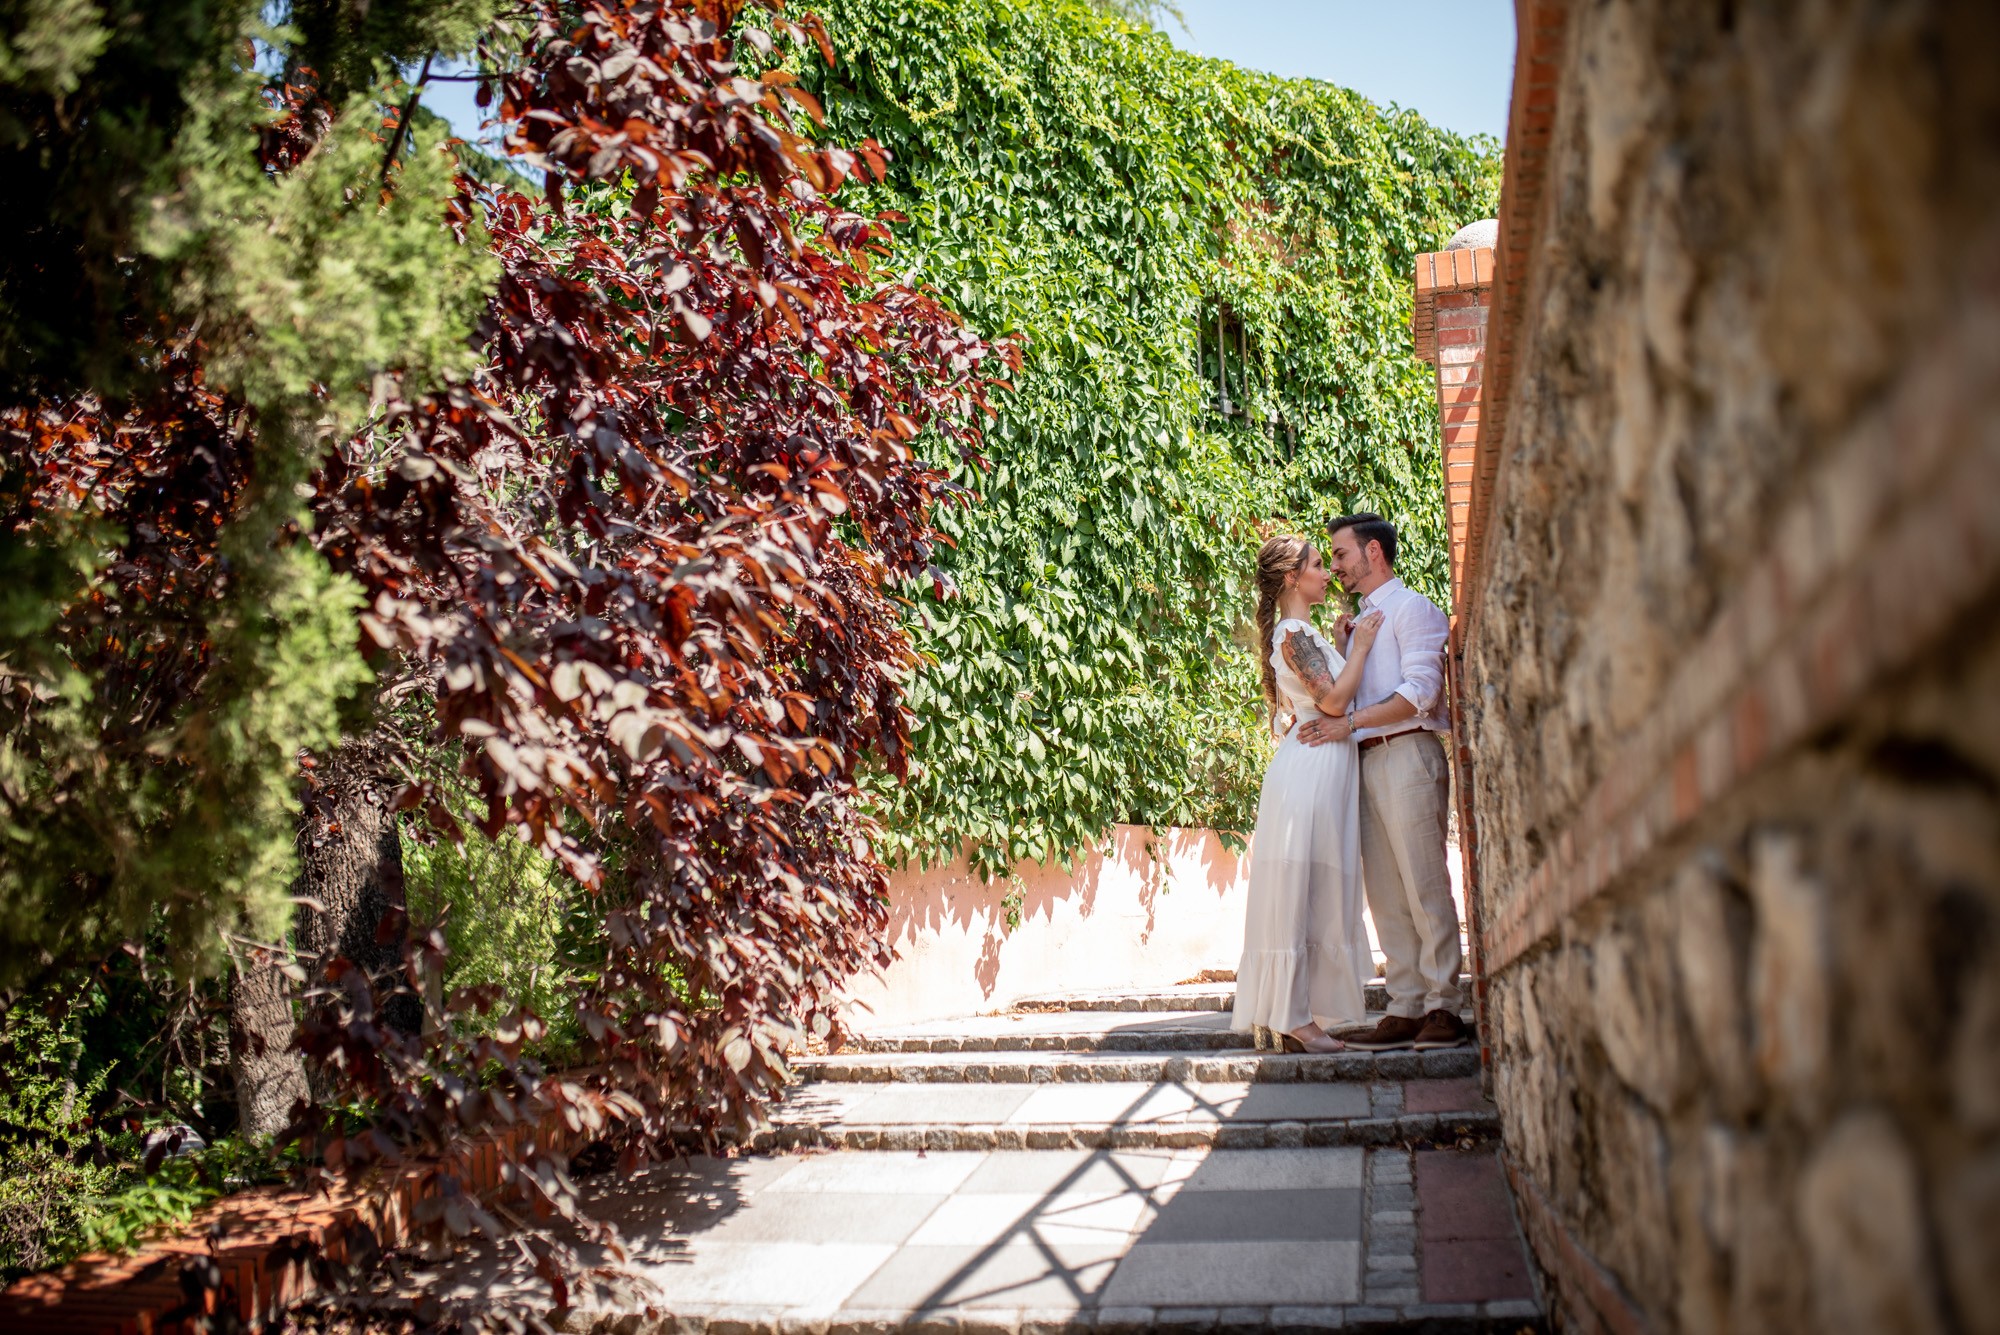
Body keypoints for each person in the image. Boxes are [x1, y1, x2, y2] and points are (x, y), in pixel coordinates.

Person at [1297, 513, 1465, 1051]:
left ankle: (1444, 1005)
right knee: (1387, 893)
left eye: (1341, 555)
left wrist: (1347, 724)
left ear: (1373, 553)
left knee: (1423, 882)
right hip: (1366, 761)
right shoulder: (1358, 625)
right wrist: (1347, 649)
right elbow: (1348, 693)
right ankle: (1406, 1004)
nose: (1337, 567)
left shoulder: (1413, 609)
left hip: (1408, 752)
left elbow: (1420, 692)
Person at [1230, 535, 1385, 1054]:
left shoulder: (1304, 633)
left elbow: (1321, 698)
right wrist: (1360, 647)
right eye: (1318, 565)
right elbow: (1336, 704)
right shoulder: (1294, 634)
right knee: (1299, 892)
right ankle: (1296, 1018)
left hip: (1323, 768)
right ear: (1293, 578)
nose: (1327, 573)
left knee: (1315, 891)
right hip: (1310, 774)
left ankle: (1300, 1015)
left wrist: (1343, 650)